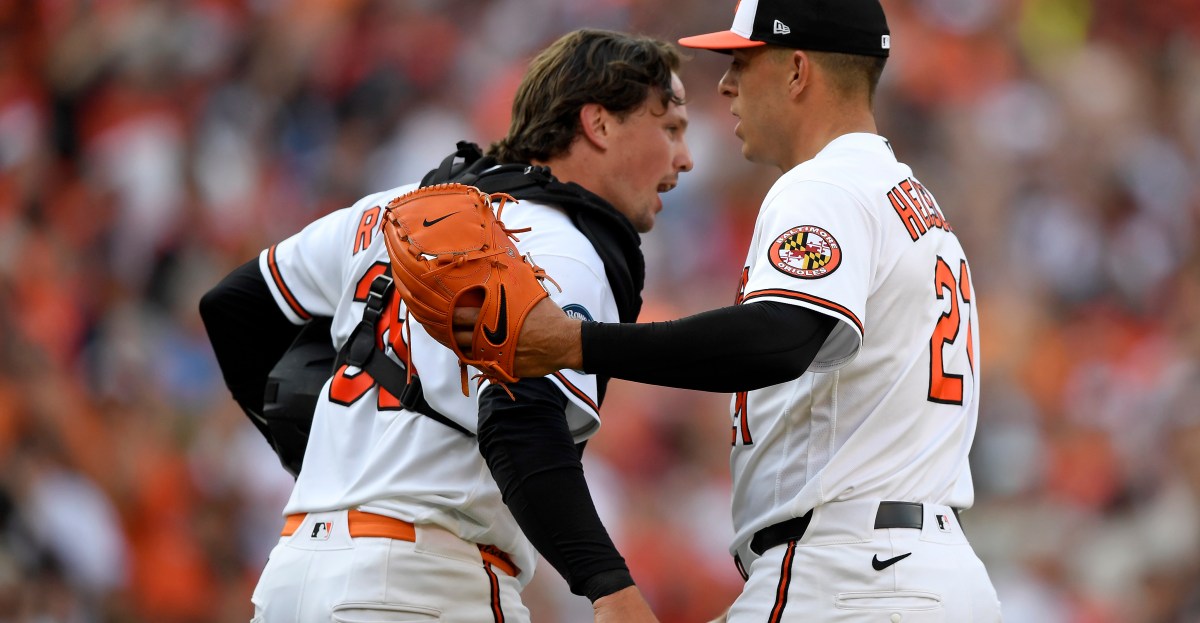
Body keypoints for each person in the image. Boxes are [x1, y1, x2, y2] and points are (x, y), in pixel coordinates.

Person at [455, 1, 1004, 620]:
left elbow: (781, 337)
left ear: (797, 72)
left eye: (742, 61)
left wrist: (577, 342)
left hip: (849, 569)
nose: (725, 84)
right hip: (925, 572)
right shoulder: (909, 201)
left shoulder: (823, 186)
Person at [199, 29, 692, 623]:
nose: (684, 158)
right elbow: (519, 420)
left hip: (295, 573)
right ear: (600, 124)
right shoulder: (565, 246)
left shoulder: (393, 207)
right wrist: (611, 588)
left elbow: (234, 306)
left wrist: (325, 461)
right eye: (669, 128)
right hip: (420, 581)